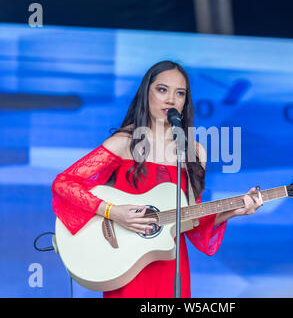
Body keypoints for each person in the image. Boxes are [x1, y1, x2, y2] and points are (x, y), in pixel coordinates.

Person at [51, 60, 263, 298]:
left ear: (185, 102)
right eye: (162, 90)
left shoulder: (195, 151)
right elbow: (64, 183)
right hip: (127, 262)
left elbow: (192, 221)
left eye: (179, 93)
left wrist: (234, 210)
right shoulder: (124, 142)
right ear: (146, 93)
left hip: (172, 263)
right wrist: (112, 211)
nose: (171, 99)